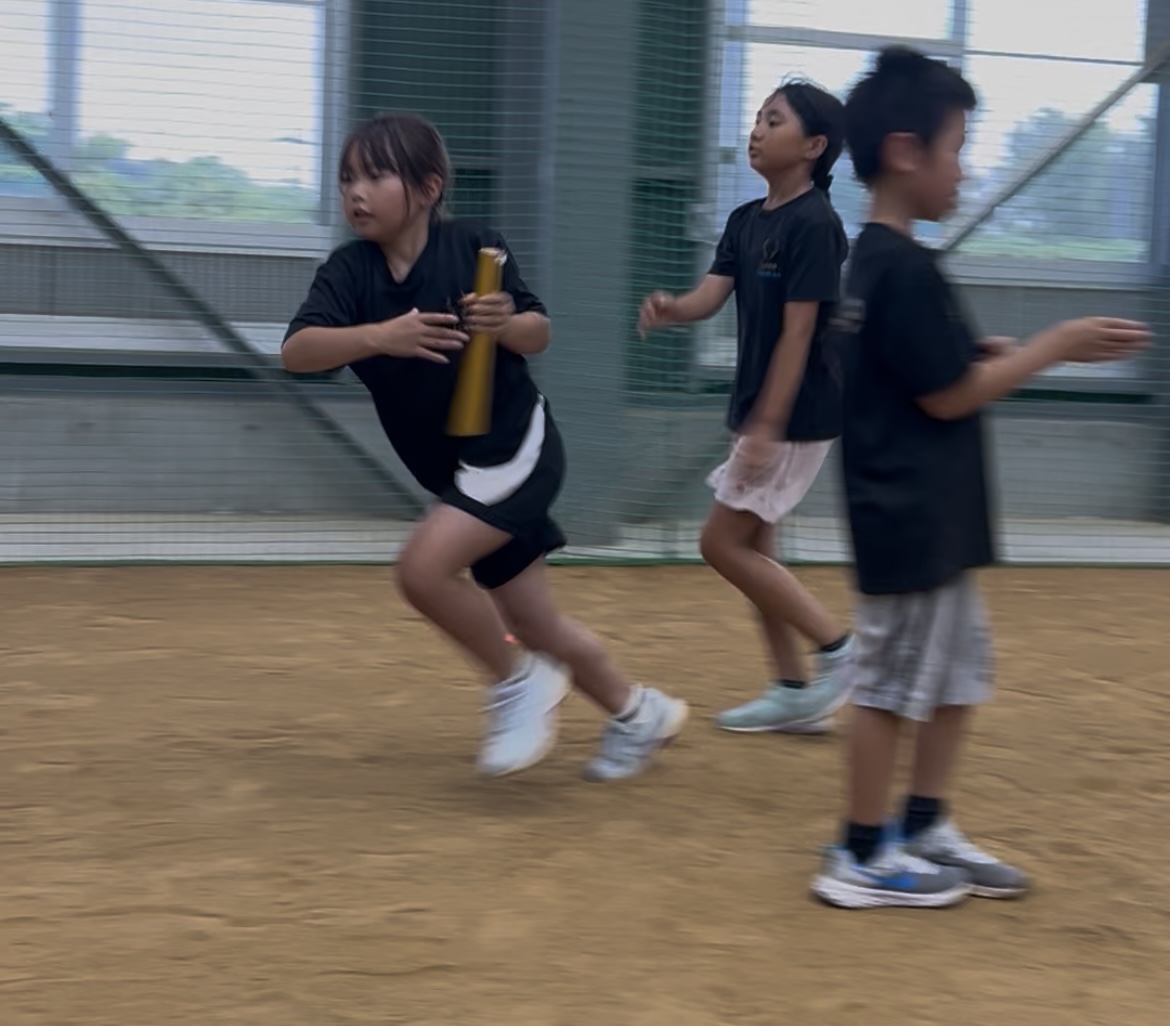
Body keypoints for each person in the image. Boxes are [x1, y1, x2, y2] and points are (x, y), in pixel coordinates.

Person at [811, 47, 1151, 909]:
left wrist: (981, 351)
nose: (965, 169)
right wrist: (1051, 346)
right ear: (904, 151)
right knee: (889, 690)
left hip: (929, 518)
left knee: (958, 675)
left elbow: (920, 369)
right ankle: (858, 855)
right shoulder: (902, 267)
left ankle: (923, 826)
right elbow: (948, 397)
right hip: (909, 518)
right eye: (958, 147)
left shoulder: (879, 264)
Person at [282, 112, 688, 782]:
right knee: (537, 624)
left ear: (429, 185)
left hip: (510, 447)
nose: (355, 191)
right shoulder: (349, 273)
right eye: (347, 177)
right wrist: (378, 336)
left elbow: (539, 332)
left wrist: (506, 324)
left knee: (420, 570)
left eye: (375, 175)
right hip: (457, 475)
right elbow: (297, 352)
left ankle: (518, 684)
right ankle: (640, 713)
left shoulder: (476, 247)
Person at [638, 82, 855, 734]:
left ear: (813, 147)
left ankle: (841, 653)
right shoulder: (745, 220)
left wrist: (766, 426)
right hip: (764, 413)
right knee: (759, 550)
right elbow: (710, 297)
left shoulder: (817, 224)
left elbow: (799, 334)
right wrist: (675, 308)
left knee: (720, 543)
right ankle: (791, 688)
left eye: (774, 120)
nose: (756, 130)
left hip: (795, 415)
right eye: (757, 118)